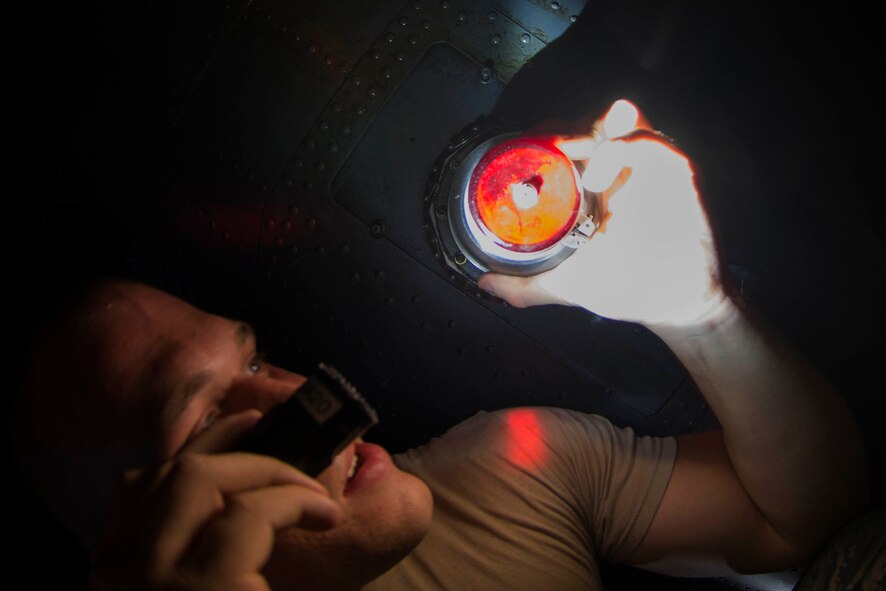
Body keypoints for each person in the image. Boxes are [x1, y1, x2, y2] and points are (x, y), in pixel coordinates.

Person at [15, 101, 869, 590]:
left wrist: (697, 309)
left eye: (251, 359)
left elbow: (795, 517)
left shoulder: (512, 471)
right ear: (130, 547)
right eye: (207, 421)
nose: (291, 394)